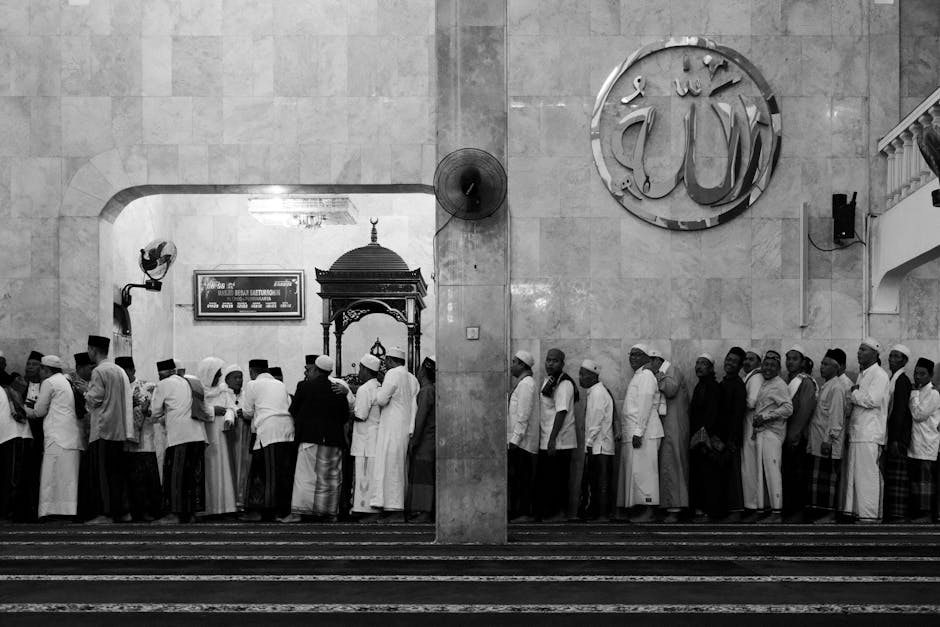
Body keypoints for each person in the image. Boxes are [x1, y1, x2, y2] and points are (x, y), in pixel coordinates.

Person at [282, 355, 350, 523]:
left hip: (310, 438)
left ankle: (298, 513)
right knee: (330, 478)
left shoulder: (304, 386)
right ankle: (330, 513)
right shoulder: (338, 390)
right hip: (333, 440)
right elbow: (344, 417)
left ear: (315, 369)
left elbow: (293, 410)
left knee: (305, 477)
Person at [83, 335, 135, 524]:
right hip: (119, 430)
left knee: (103, 475)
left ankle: (106, 514)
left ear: (93, 350)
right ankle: (123, 512)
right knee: (117, 474)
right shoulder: (118, 370)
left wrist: (84, 391)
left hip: (103, 429)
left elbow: (95, 398)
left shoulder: (99, 371)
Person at [24, 356, 83, 521]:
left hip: (57, 436)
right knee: (68, 477)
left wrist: (24, 408)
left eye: (41, 368)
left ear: (46, 369)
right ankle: (68, 511)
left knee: (52, 475)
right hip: (71, 436)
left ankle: (51, 511)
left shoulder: (49, 383)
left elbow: (39, 411)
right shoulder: (66, 381)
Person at [150, 359, 208, 524]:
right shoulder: (190, 382)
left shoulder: (163, 385)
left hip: (179, 437)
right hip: (197, 435)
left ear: (161, 373)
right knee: (192, 476)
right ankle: (190, 514)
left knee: (175, 476)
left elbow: (155, 412)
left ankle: (173, 515)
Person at [842, 338, 890, 523]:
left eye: (863, 349)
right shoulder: (863, 374)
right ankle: (858, 514)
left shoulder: (879, 375)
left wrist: (854, 393)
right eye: (859, 349)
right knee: (856, 476)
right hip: (858, 432)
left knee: (868, 476)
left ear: (874, 354)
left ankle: (870, 515)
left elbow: (872, 400)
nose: (859, 352)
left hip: (870, 433)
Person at [242, 359, 296, 521]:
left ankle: (266, 512)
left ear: (251, 371)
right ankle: (278, 510)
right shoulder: (279, 384)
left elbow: (247, 412)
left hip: (268, 430)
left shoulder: (252, 385)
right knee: (281, 472)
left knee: (266, 472)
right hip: (287, 430)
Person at [618, 344, 662, 523]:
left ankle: (649, 510)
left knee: (646, 474)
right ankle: (638, 508)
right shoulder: (638, 376)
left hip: (646, 433)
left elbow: (644, 406)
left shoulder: (646, 376)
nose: (632, 358)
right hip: (638, 433)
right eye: (631, 354)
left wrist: (638, 432)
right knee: (637, 473)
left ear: (646, 358)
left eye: (637, 355)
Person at [370, 347, 415, 520]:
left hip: (392, 427)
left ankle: (395, 510)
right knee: (399, 467)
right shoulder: (411, 378)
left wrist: (377, 392)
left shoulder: (393, 374)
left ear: (390, 360)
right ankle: (395, 507)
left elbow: (381, 399)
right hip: (403, 428)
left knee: (390, 468)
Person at [115, 356, 161, 522]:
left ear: (132, 370)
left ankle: (147, 511)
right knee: (128, 480)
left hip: (144, 442)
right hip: (124, 443)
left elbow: (152, 412)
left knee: (145, 479)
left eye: (124, 372)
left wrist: (142, 409)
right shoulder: (117, 389)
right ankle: (130, 511)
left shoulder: (146, 387)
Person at [536, 348, 578, 522]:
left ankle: (559, 513)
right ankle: (551, 512)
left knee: (557, 479)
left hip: (559, 441)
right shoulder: (550, 381)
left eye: (554, 361)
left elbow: (561, 412)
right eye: (548, 360)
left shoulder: (564, 383)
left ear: (562, 364)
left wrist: (552, 440)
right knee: (548, 479)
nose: (550, 363)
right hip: (548, 438)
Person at [751, 351, 793, 523]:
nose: (768, 368)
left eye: (772, 366)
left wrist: (766, 416)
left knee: (773, 473)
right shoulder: (766, 383)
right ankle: (767, 511)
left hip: (772, 434)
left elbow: (788, 408)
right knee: (764, 474)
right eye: (766, 365)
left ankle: (776, 513)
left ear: (778, 368)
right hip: (762, 433)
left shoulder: (779, 384)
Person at [806, 349, 847, 523]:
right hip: (818, 441)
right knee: (819, 480)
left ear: (836, 368)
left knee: (828, 480)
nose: (822, 367)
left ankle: (830, 515)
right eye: (821, 363)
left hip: (826, 443)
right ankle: (820, 513)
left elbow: (835, 417)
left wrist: (829, 439)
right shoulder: (827, 385)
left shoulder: (837, 387)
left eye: (826, 364)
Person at [649, 348, 690, 523]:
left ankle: (675, 507)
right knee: (668, 463)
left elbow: (671, 389)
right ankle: (669, 506)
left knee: (674, 463)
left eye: (649, 362)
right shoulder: (665, 370)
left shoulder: (670, 370)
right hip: (669, 425)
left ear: (657, 360)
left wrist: (657, 376)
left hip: (674, 425)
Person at [198, 357, 237, 518]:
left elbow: (232, 407)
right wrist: (214, 410)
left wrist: (229, 417)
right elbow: (198, 410)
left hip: (221, 435)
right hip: (206, 435)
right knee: (209, 470)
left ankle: (225, 507)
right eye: (216, 375)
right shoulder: (198, 391)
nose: (218, 378)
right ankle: (209, 508)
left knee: (223, 469)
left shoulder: (223, 390)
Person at [783, 345, 817, 522]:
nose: (790, 362)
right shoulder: (790, 380)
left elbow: (804, 410)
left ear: (802, 361)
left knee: (797, 475)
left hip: (797, 437)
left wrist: (794, 435)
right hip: (788, 435)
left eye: (794, 359)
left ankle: (798, 512)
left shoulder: (805, 382)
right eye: (788, 358)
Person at [579, 359, 614, 521]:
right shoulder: (594, 392)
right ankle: (595, 512)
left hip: (600, 446)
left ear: (593, 376)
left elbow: (596, 420)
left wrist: (589, 443)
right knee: (595, 480)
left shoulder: (598, 393)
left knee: (601, 482)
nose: (580, 378)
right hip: (597, 445)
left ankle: (603, 514)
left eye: (583, 374)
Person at [688, 353, 723, 521]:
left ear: (710, 368)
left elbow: (713, 414)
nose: (699, 366)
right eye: (697, 362)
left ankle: (709, 511)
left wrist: (704, 435)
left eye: (703, 363)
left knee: (708, 476)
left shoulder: (712, 387)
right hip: (698, 440)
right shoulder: (700, 386)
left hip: (706, 441)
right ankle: (700, 509)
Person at [883, 344, 913, 523]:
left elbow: (900, 411)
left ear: (904, 361)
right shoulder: (892, 378)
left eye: (896, 357)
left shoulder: (902, 381)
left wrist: (894, 439)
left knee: (898, 478)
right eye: (891, 356)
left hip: (897, 438)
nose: (891, 359)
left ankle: (899, 515)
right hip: (892, 435)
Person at [508, 350, 539, 522]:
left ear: (521, 365)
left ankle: (525, 513)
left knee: (523, 478)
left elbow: (523, 415)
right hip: (520, 441)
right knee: (519, 478)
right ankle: (520, 512)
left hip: (523, 443)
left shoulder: (526, 384)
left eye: (514, 362)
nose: (511, 365)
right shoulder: (524, 384)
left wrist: (515, 439)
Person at [908, 357, 940, 524]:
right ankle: (919, 513)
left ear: (930, 375)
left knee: (925, 482)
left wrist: (914, 394)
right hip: (915, 443)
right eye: (916, 373)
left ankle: (927, 515)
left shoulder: (933, 393)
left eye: (922, 374)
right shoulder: (919, 391)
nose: (918, 376)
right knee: (916, 482)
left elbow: (918, 415)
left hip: (927, 445)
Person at [717, 347, 747, 521]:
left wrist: (732, 440)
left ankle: (736, 510)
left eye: (734, 361)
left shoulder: (738, 386)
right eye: (728, 359)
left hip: (731, 439)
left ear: (740, 366)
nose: (729, 363)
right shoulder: (724, 383)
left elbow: (737, 415)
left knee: (733, 475)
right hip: (721, 438)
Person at [0, 368, 33, 522]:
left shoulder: (3, 391)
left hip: (13, 437)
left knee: (12, 478)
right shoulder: (6, 391)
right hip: (15, 437)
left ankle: (11, 513)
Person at [351, 354, 382, 517]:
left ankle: (365, 510)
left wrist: (346, 412)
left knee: (365, 475)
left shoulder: (364, 389)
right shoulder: (377, 386)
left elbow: (360, 415)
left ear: (366, 370)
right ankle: (370, 509)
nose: (359, 373)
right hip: (375, 437)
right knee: (372, 475)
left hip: (365, 439)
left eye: (361, 369)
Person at [407, 356, 436, 522]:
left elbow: (421, 418)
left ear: (423, 370)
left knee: (423, 477)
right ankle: (421, 510)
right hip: (428, 440)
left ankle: (424, 512)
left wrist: (414, 440)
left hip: (425, 441)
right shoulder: (430, 389)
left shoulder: (426, 391)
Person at [220, 364, 250, 510]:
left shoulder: (246, 394)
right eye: (235, 377)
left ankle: (241, 501)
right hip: (228, 435)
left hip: (245, 433)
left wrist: (244, 413)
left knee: (243, 466)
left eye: (241, 377)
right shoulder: (222, 393)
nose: (239, 380)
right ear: (227, 379)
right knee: (230, 465)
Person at [740, 350, 765, 518]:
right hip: (747, 425)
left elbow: (752, 401)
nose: (747, 362)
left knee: (751, 467)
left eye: (751, 359)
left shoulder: (756, 377)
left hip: (752, 427)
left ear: (758, 362)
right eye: (745, 359)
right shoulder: (750, 376)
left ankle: (754, 505)